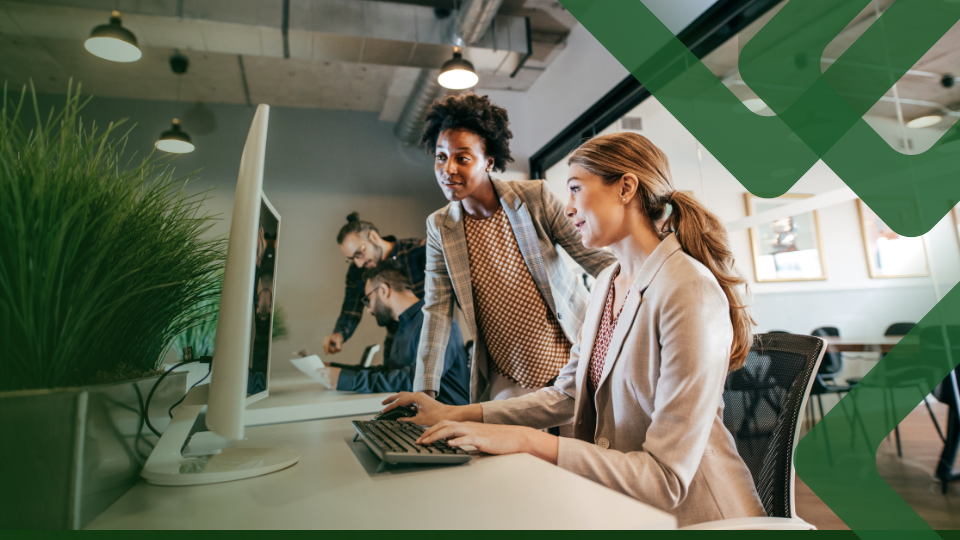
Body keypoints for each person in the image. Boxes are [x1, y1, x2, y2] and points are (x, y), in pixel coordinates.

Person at [383, 132, 765, 527]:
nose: (566, 208)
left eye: (576, 189)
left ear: (626, 188)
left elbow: (666, 479)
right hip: (626, 508)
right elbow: (567, 394)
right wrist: (458, 413)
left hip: (696, 518)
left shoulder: (687, 290)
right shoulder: (606, 285)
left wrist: (530, 440)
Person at [415, 93, 616, 402]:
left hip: (571, 353)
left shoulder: (534, 197)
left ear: (489, 161)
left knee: (574, 447)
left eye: (462, 158)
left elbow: (597, 261)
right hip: (508, 371)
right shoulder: (440, 227)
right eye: (441, 156)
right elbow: (437, 312)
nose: (448, 168)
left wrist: (646, 297)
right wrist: (425, 391)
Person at [315, 260, 469, 405]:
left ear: (383, 290)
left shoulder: (436, 322)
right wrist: (338, 371)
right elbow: (391, 372)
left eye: (367, 300)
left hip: (450, 424)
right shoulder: (402, 325)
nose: (368, 309)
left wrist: (348, 380)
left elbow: (415, 380)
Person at [322, 213, 426, 362]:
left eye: (359, 253)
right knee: (390, 381)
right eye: (351, 259)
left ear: (374, 237)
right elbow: (350, 310)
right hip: (396, 340)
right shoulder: (356, 271)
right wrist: (339, 333)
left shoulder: (421, 251)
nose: (358, 264)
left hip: (430, 336)